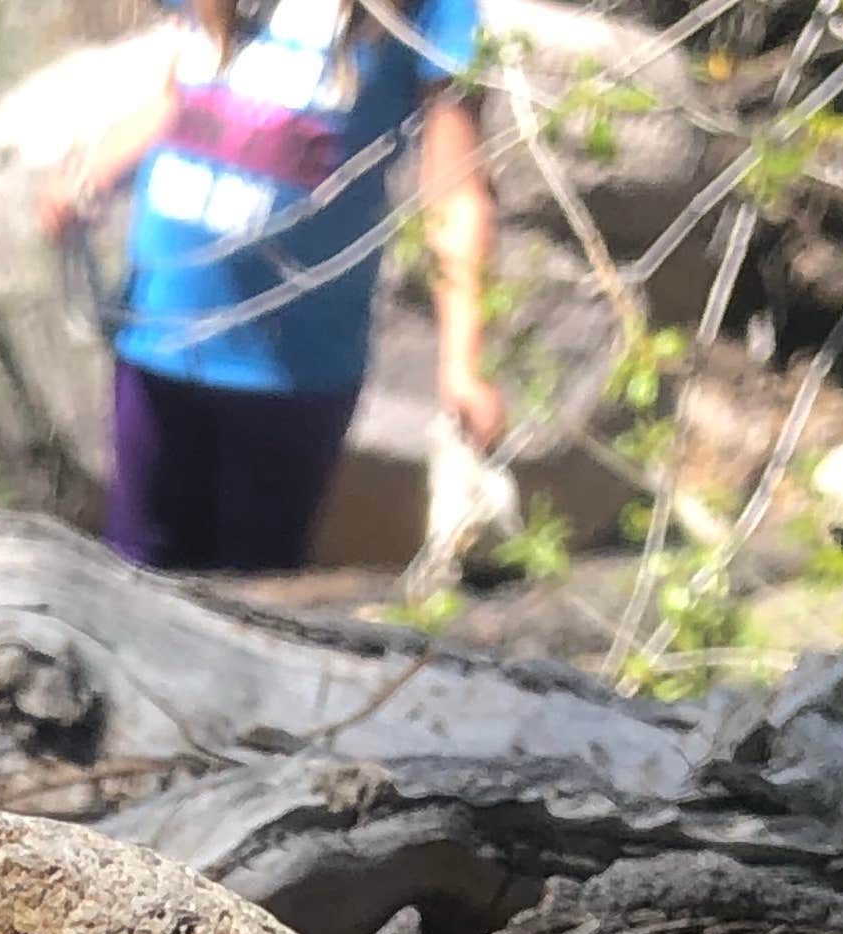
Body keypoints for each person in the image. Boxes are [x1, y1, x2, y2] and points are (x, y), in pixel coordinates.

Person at [40, 0, 502, 579]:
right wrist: (90, 177)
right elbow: (178, 101)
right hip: (158, 334)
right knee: (131, 577)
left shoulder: (434, 12)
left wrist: (463, 364)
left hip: (292, 371)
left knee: (250, 600)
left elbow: (455, 192)